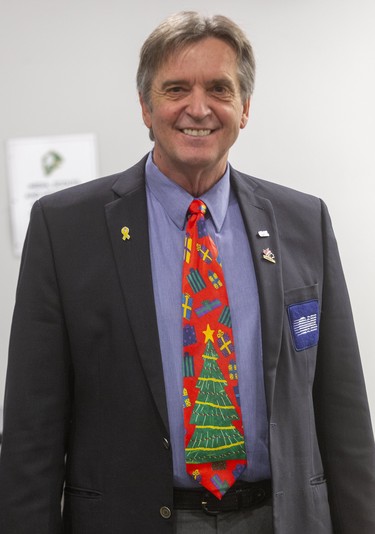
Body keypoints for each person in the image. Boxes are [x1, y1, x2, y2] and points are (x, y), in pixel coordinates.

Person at [0, 10, 374, 534]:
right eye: (176, 88)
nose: (197, 108)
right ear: (145, 106)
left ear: (244, 108)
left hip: (282, 519)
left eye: (219, 89)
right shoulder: (66, 229)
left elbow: (345, 418)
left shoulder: (302, 221)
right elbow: (31, 432)